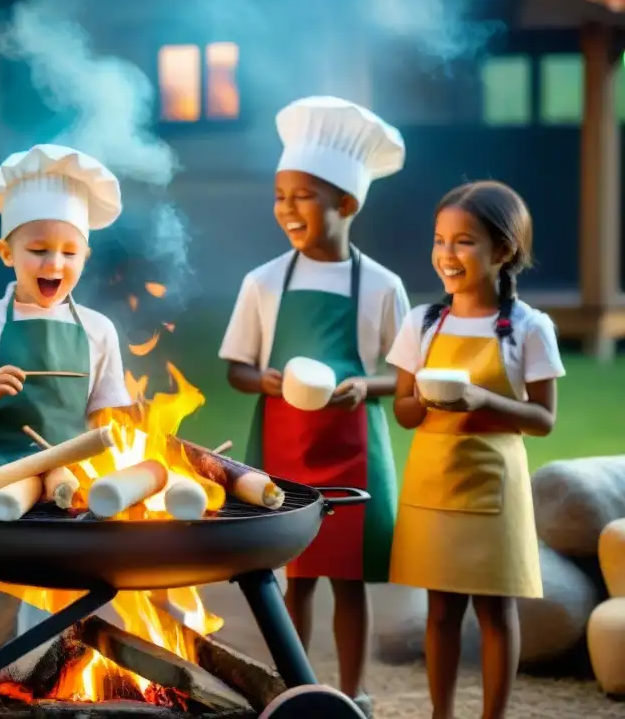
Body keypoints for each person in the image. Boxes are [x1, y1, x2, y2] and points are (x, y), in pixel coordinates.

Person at [219, 96, 411, 716]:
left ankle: (353, 693)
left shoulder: (382, 286)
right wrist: (266, 381)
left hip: (354, 448)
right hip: (285, 445)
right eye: (280, 196)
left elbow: (408, 376)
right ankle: (293, 689)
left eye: (303, 196)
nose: (286, 210)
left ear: (346, 204)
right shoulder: (264, 282)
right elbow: (237, 368)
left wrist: (366, 386)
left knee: (348, 580)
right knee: (292, 578)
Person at [0, 143, 132, 649]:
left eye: (69, 251)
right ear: (7, 253)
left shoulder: (99, 331)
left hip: (69, 487)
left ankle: (64, 667)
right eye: (38, 249)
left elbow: (110, 417)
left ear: (85, 254)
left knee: (69, 595)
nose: (54, 262)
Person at [385, 181, 564, 719]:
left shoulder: (530, 328)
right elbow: (402, 410)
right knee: (439, 610)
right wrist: (419, 400)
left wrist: (480, 398)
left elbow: (543, 420)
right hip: (433, 478)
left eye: (464, 241)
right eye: (440, 239)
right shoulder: (421, 322)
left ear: (502, 250)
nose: (447, 254)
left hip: (495, 484)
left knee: (495, 609)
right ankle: (441, 714)